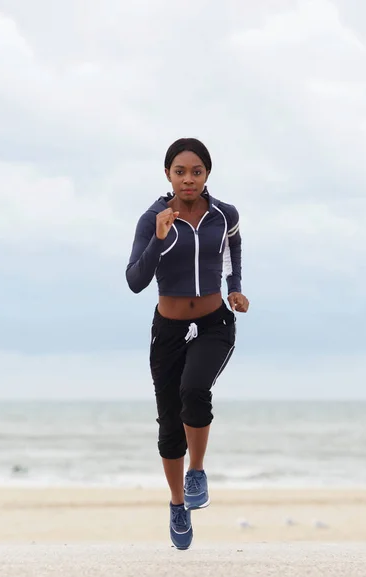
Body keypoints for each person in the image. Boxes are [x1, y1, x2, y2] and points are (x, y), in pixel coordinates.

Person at [125, 138, 249, 550]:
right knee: (168, 421)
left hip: (214, 322)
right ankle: (178, 504)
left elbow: (233, 245)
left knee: (194, 390)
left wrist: (235, 288)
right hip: (169, 329)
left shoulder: (223, 215)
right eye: (180, 171)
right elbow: (135, 281)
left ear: (207, 174)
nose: (189, 179)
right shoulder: (152, 218)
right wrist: (159, 238)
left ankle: (197, 471)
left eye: (196, 171)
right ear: (168, 175)